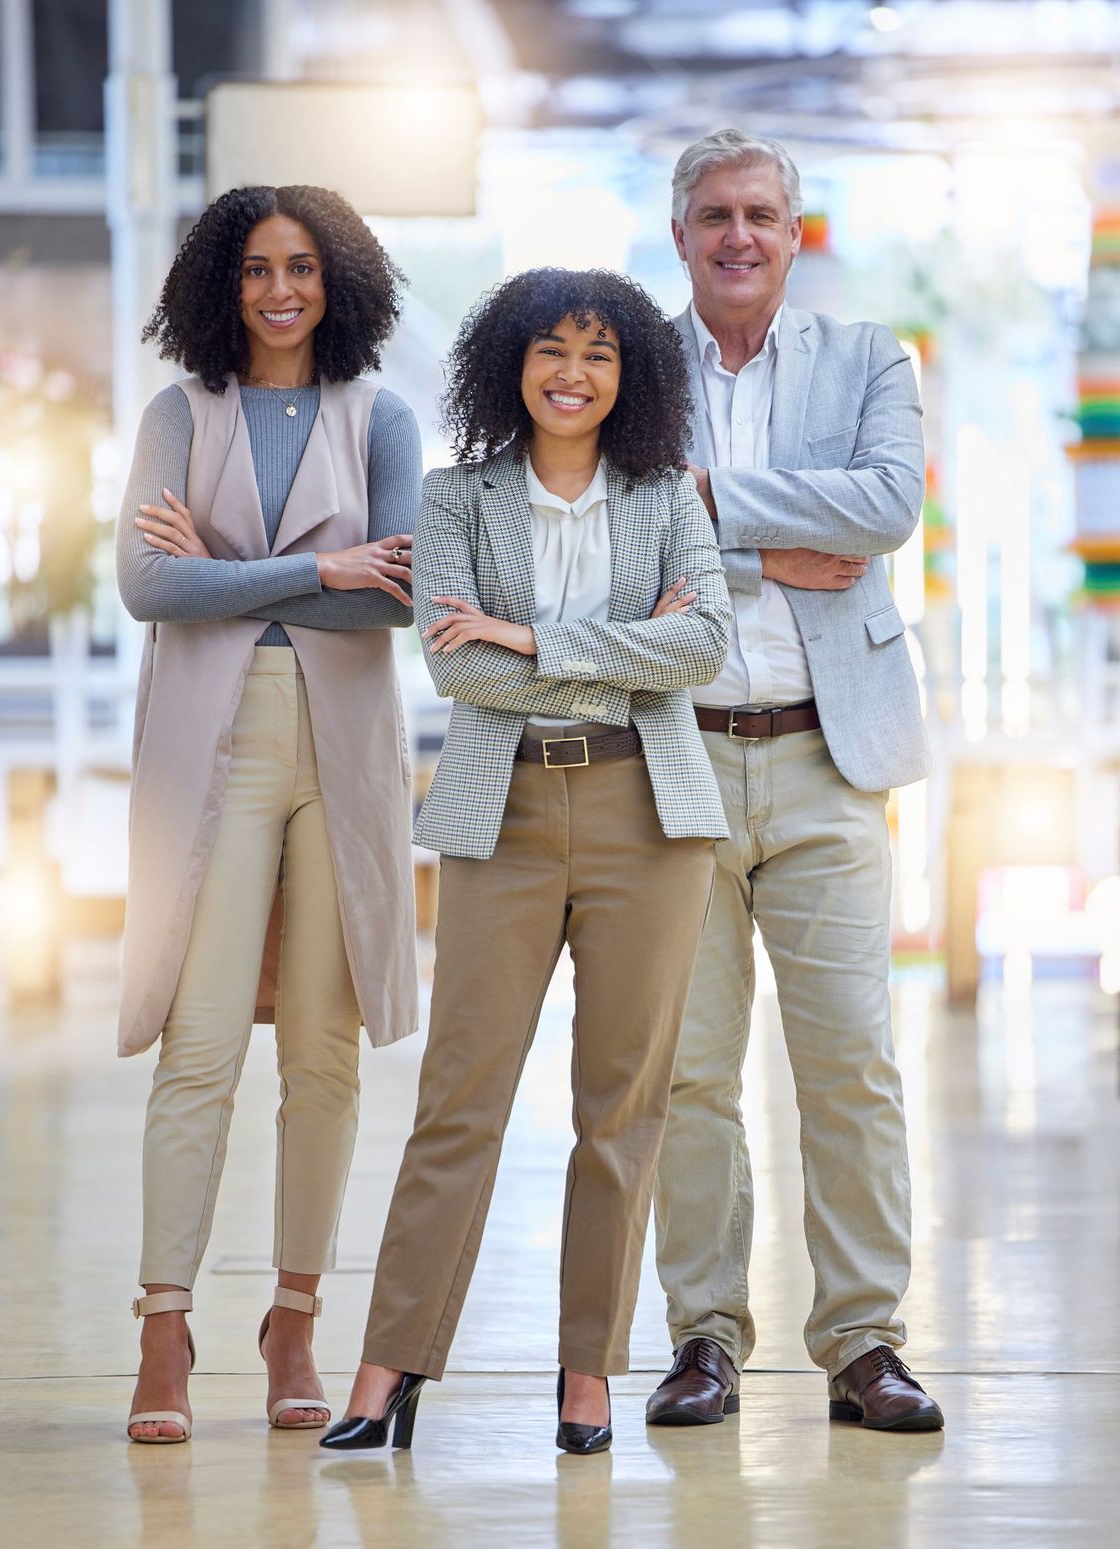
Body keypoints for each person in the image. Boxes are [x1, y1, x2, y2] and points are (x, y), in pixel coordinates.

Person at [320, 267, 731, 1457]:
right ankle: (389, 1362)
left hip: (648, 817)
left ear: (629, 375)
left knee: (621, 1107)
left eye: (599, 353)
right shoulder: (456, 497)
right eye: (552, 348)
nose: (572, 372)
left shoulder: (666, 494)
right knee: (460, 1097)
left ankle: (587, 1369)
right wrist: (616, 648)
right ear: (512, 362)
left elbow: (702, 645)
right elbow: (458, 667)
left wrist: (531, 637)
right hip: (498, 812)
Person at [648, 129, 944, 1432]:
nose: (738, 235)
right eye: (715, 214)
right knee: (687, 1074)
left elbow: (882, 507)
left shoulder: (868, 357)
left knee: (850, 1065)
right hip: (677, 757)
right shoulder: (628, 365)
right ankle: (703, 1337)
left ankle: (864, 1342)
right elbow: (616, 531)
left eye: (760, 213)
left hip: (831, 754)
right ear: (679, 234)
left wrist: (711, 505)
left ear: (792, 230)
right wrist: (780, 541)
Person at [116, 184, 421, 1444]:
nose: (278, 290)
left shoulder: (380, 416)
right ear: (219, 283)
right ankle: (165, 1327)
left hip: (342, 750)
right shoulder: (178, 414)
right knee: (199, 1044)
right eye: (253, 268)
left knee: (322, 1052)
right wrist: (316, 568)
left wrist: (226, 575)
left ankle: (294, 1318)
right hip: (215, 743)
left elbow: (400, 594)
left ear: (336, 280)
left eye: (300, 266)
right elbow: (147, 586)